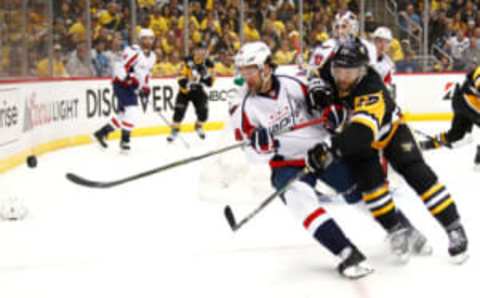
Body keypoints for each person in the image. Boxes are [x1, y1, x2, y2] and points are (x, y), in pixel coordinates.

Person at [306, 39, 469, 264]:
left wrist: (330, 149)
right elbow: (313, 73)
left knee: (417, 174)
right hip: (357, 139)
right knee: (371, 189)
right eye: (338, 70)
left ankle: (454, 227)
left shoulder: (372, 87)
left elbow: (361, 135)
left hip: (388, 133)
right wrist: (315, 85)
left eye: (349, 72)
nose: (342, 77)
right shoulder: (329, 71)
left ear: (362, 70)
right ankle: (397, 232)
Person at [233, 41, 373, 279]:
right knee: (301, 202)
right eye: (243, 71)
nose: (246, 77)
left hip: (320, 150)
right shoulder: (244, 108)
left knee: (358, 193)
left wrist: (332, 114)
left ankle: (399, 227)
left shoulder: (294, 82)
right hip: (286, 163)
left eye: (250, 70)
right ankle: (347, 252)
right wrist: (262, 148)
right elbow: (251, 155)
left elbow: (327, 108)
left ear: (266, 68)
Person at [93, 28, 156, 152]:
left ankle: (102, 133)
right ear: (140, 39)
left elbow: (146, 74)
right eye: (145, 38)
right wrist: (127, 78)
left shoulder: (152, 56)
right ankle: (125, 141)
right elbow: (120, 66)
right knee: (131, 110)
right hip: (121, 84)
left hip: (132, 86)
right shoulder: (133, 51)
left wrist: (146, 88)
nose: (148, 41)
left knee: (123, 115)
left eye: (151, 38)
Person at [419, 66, 480, 170]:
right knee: (456, 134)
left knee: (456, 134)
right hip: (467, 100)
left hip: (462, 100)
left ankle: (422, 146)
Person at [167, 42, 215, 142]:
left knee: (203, 113)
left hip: (198, 91)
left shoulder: (209, 64)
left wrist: (204, 75)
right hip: (185, 92)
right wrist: (190, 81)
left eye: (203, 50)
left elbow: (210, 83)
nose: (201, 52)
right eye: (198, 50)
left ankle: (198, 126)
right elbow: (180, 79)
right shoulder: (186, 61)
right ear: (194, 51)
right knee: (178, 112)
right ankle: (175, 130)